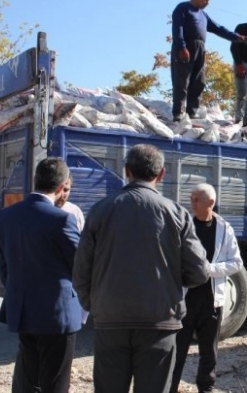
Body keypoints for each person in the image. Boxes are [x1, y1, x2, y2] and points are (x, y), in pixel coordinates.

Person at [73, 144, 211, 393]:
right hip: (160, 323)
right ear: (161, 175)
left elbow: (81, 270)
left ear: (127, 171)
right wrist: (171, 285)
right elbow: (199, 271)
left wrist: (95, 305)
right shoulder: (177, 213)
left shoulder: (100, 210)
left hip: (110, 321)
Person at [0, 158, 81, 393]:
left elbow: (3, 266)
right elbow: (81, 267)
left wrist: (19, 291)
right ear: (63, 186)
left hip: (22, 310)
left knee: (27, 377)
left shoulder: (7, 216)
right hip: (57, 315)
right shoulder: (62, 219)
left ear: (35, 180)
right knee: (54, 381)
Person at [170, 183, 243, 393]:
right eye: (191, 198)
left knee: (209, 353)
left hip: (211, 302)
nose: (191, 203)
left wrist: (208, 269)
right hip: (184, 300)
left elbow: (236, 262)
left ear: (210, 203)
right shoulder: (184, 226)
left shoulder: (224, 229)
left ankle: (207, 388)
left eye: (196, 199)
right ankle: (170, 388)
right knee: (177, 351)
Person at [171, 0, 247, 121]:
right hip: (185, 47)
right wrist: (182, 47)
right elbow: (177, 29)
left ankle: (192, 112)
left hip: (200, 48)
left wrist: (236, 37)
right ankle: (178, 113)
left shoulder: (203, 15)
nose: (208, 2)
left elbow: (218, 28)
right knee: (181, 81)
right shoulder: (183, 8)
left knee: (198, 81)